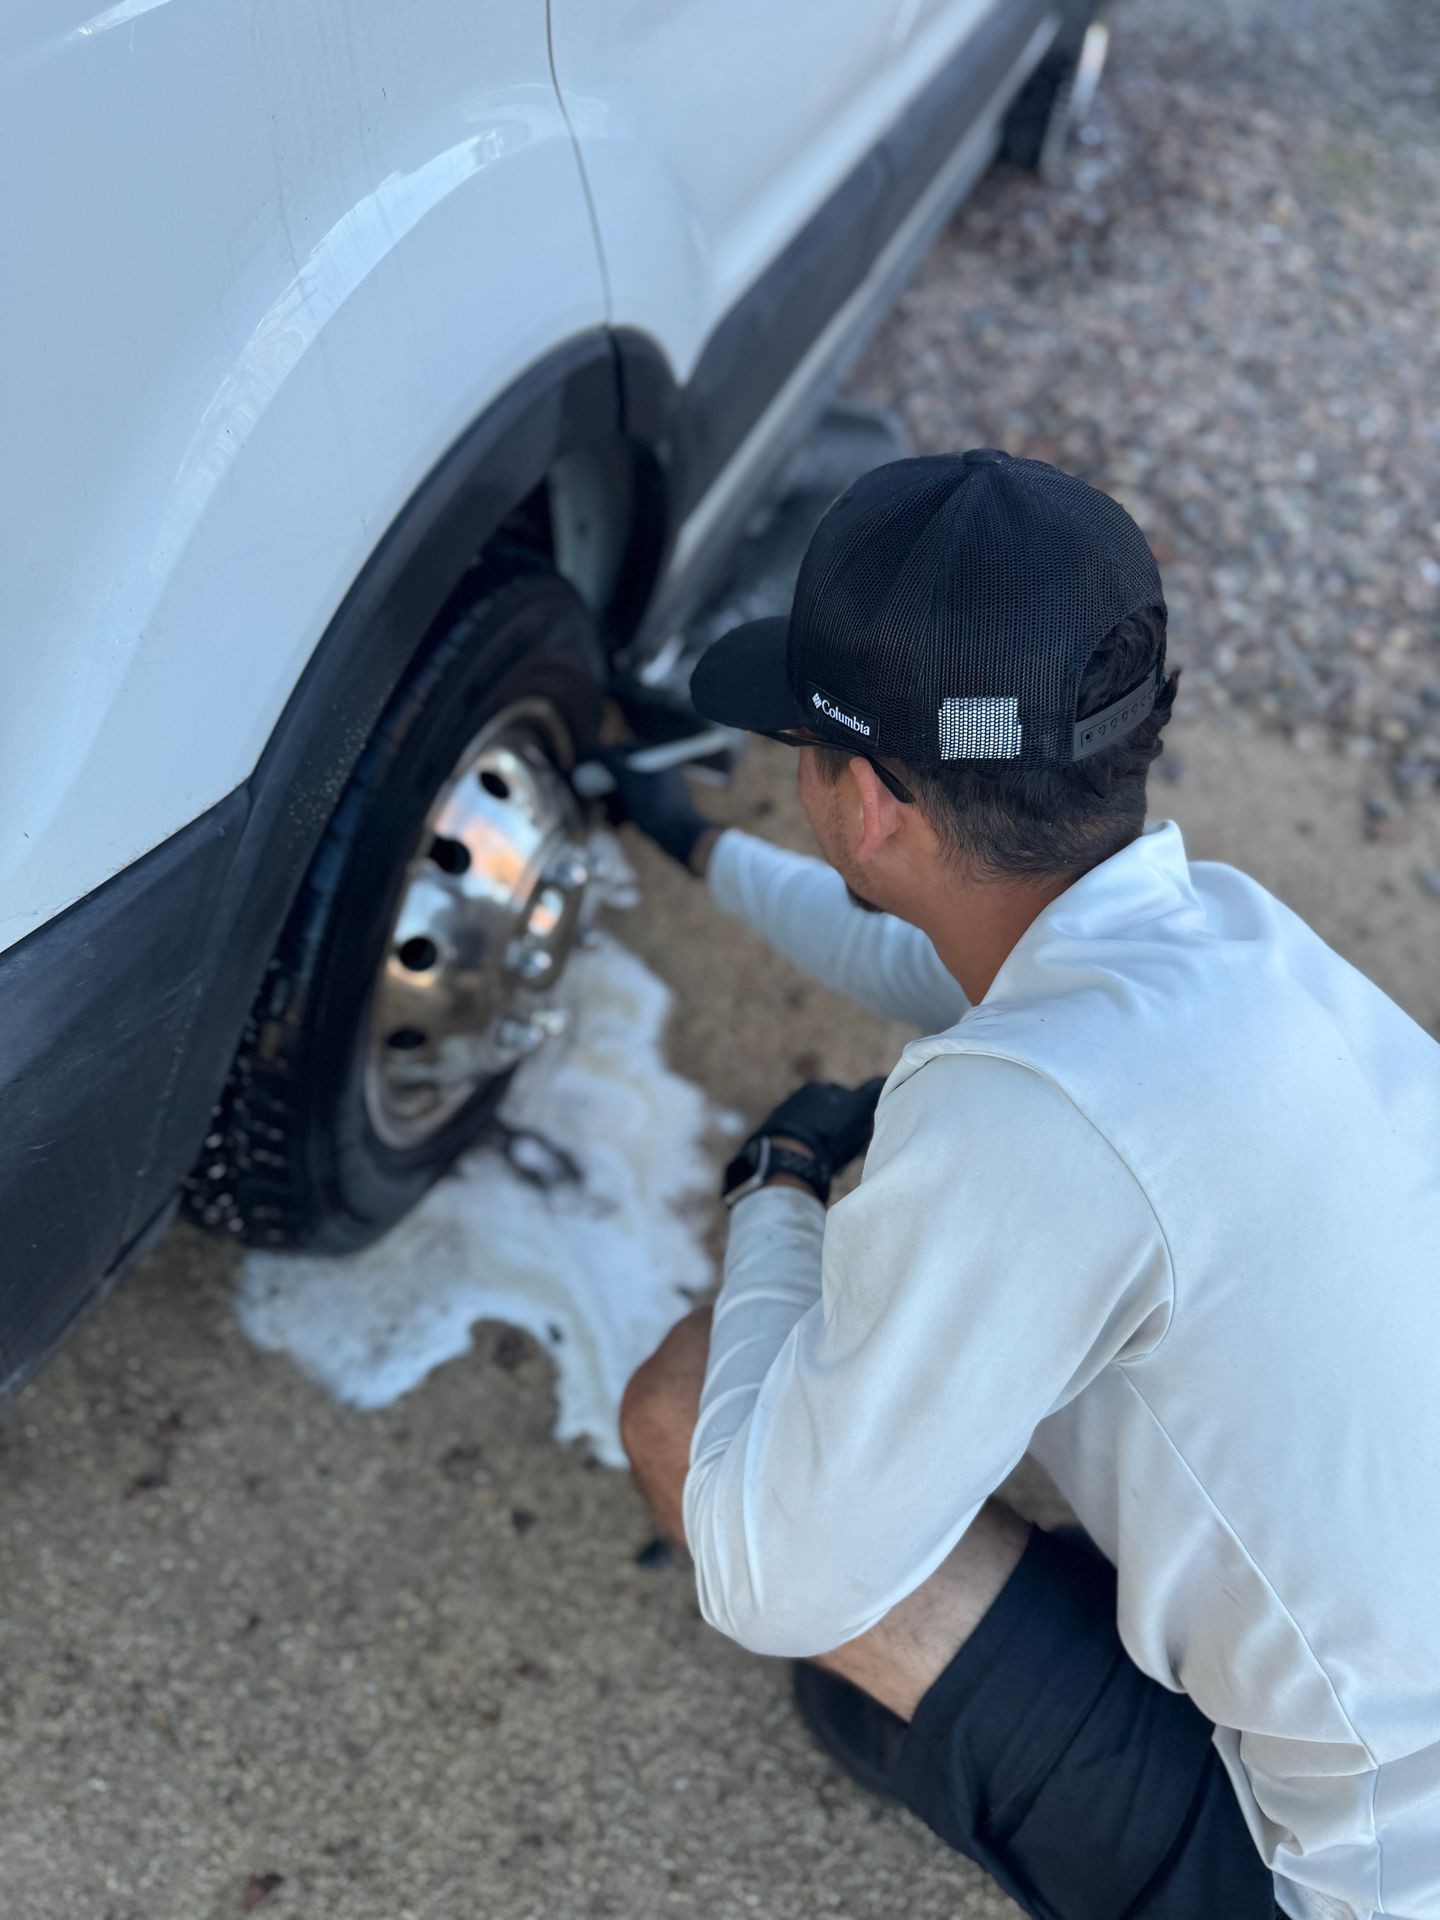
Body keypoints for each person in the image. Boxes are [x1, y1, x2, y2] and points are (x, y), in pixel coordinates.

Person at [611, 452, 1440, 1920]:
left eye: (796, 748)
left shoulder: (1027, 1127)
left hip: (1360, 1894)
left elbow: (772, 1577)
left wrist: (779, 1189)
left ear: (864, 802)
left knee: (695, 1420)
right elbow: (919, 951)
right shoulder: (1233, 943)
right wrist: (684, 836)